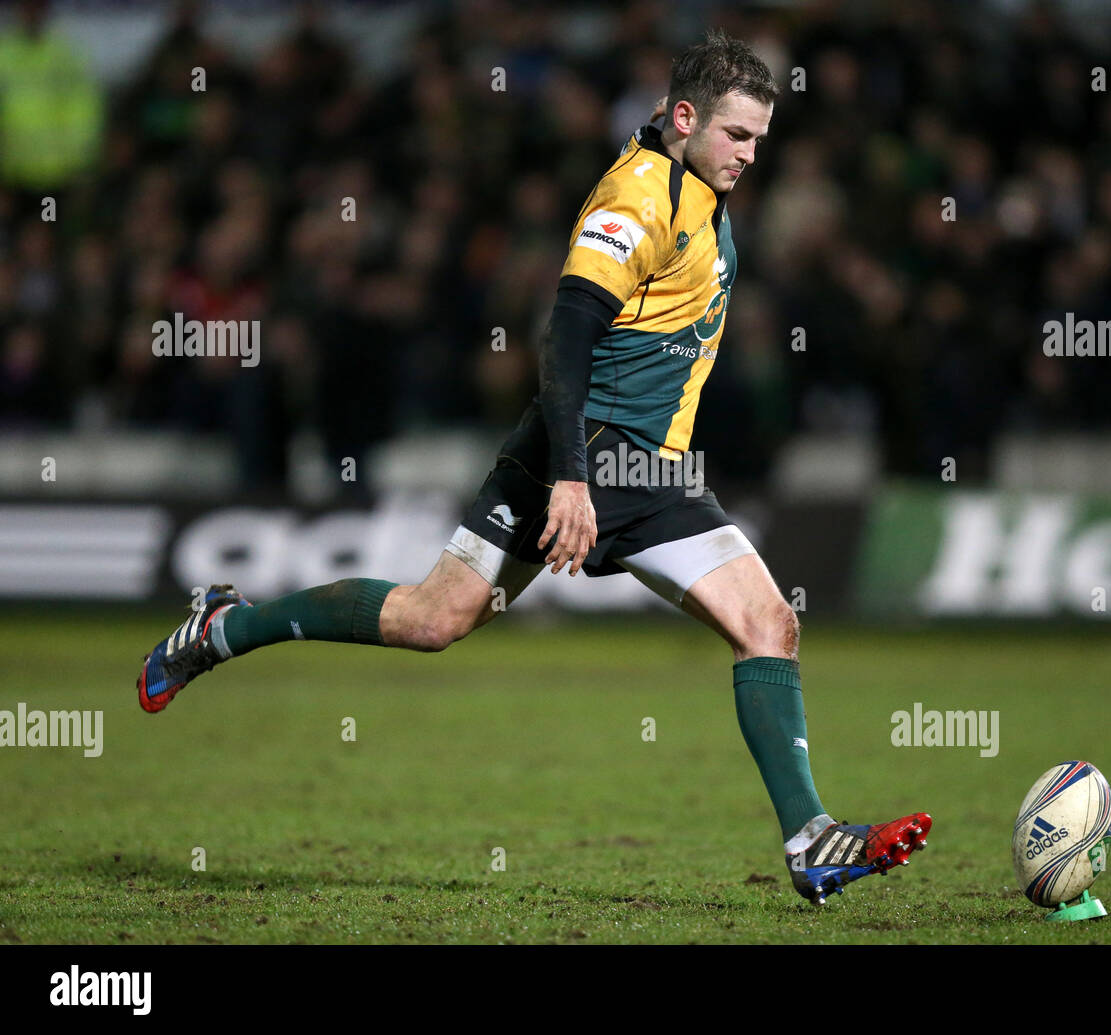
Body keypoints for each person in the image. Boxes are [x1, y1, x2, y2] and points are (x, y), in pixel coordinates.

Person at [137, 29, 930, 905]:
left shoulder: (697, 190)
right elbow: (566, 333)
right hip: (603, 456)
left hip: (637, 465)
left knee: (434, 616)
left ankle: (222, 627)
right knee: (760, 624)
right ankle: (812, 837)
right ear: (683, 117)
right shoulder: (637, 199)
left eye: (759, 139)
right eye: (738, 135)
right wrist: (573, 473)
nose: (750, 154)